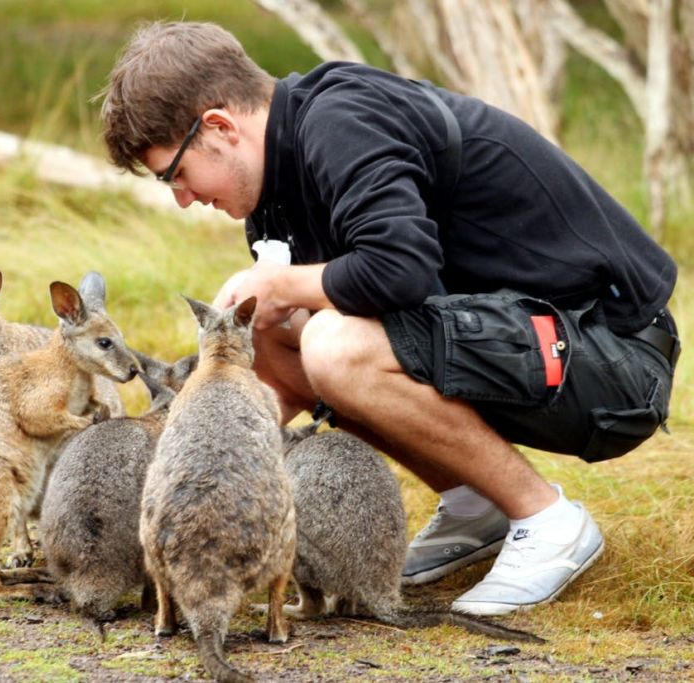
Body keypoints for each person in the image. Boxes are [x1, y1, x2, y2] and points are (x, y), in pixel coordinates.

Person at [100, 21, 679, 616]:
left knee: (334, 345)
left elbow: (398, 269)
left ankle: (547, 519)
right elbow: (272, 388)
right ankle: (472, 503)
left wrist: (280, 283)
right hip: (527, 344)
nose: (183, 198)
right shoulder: (276, 192)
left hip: (613, 355)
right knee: (269, 334)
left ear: (219, 127)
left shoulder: (342, 123)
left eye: (176, 174)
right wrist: (164, 490)